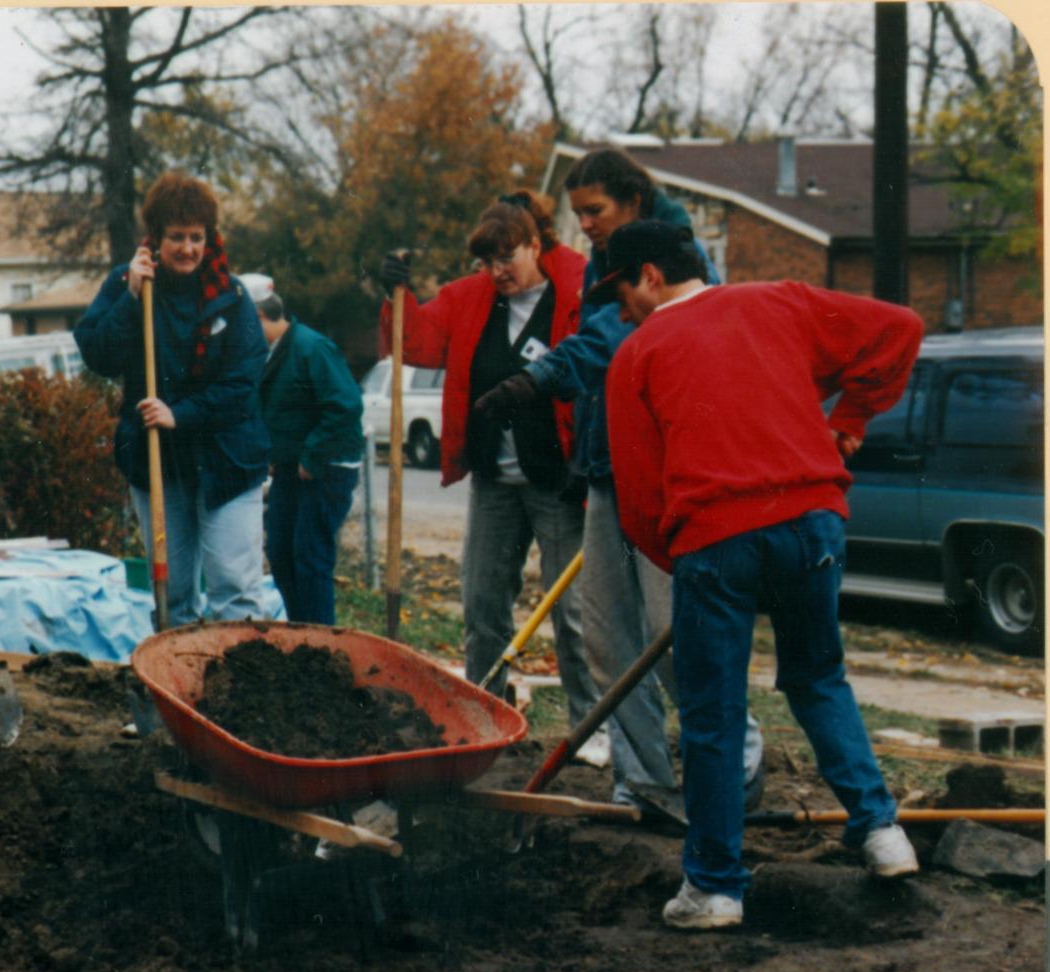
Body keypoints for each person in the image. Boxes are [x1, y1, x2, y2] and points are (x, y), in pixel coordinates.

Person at [594, 220, 924, 929]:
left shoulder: (637, 353)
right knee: (817, 678)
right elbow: (900, 328)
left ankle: (714, 887)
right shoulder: (781, 302)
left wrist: (682, 559)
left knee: (713, 712)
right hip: (815, 523)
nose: (618, 311)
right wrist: (852, 416)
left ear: (650, 274)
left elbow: (640, 501)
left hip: (718, 539)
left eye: (620, 291)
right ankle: (880, 830)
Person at [474, 149, 765, 811]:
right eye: (577, 216)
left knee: (674, 631)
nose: (586, 227)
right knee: (607, 636)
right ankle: (642, 780)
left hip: (667, 471)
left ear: (633, 200)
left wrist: (540, 376)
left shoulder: (679, 254)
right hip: (606, 465)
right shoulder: (607, 257)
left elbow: (620, 335)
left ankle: (737, 762)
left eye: (595, 212)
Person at [378, 190, 605, 731]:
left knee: (572, 614)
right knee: (482, 607)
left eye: (507, 257)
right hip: (494, 482)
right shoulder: (471, 298)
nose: (496, 271)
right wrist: (397, 296)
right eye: (487, 261)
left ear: (534, 245)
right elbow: (419, 344)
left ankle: (590, 726)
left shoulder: (576, 292)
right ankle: (482, 718)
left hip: (557, 481)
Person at [75, 171, 271, 626]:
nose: (187, 248)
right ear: (155, 237)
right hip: (160, 462)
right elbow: (98, 354)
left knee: (235, 591)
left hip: (227, 460)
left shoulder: (232, 296)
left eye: (197, 237)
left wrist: (179, 414)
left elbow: (242, 383)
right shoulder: (128, 282)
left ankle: (233, 691)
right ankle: (173, 689)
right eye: (176, 237)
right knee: (173, 595)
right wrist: (129, 299)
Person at [239, 272, 364, 625]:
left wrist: (313, 454)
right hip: (292, 471)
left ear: (259, 317)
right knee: (280, 552)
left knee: (310, 558)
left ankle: (319, 643)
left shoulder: (311, 348)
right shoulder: (268, 354)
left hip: (326, 469)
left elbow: (345, 405)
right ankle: (299, 632)